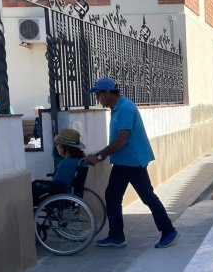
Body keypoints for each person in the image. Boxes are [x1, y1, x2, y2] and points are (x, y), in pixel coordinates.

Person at [86, 77, 179, 249]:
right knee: (112, 197)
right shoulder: (116, 108)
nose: (97, 98)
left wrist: (99, 156)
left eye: (98, 94)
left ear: (107, 93)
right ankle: (116, 236)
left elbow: (121, 140)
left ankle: (169, 231)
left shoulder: (125, 108)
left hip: (133, 162)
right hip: (123, 162)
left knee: (147, 197)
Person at [31, 128, 85, 206]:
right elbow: (56, 156)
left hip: (57, 194)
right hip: (67, 192)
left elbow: (57, 183)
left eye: (57, 145)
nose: (56, 147)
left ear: (64, 147)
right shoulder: (76, 160)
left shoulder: (66, 163)